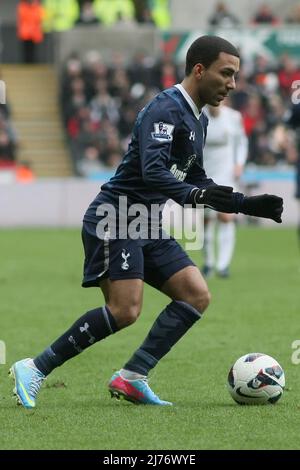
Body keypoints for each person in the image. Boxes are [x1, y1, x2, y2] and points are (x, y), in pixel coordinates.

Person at [10, 36, 283, 409]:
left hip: (146, 222)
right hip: (116, 215)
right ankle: (34, 368)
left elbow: (197, 179)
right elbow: (153, 172)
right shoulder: (165, 109)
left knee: (195, 294)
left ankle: (132, 376)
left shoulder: (196, 120)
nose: (232, 84)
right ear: (199, 70)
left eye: (235, 76)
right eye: (227, 73)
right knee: (125, 310)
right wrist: (195, 197)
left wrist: (245, 204)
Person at [202, 102, 248, 278]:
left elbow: (241, 142)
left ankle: (223, 265)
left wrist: (239, 163)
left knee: (225, 216)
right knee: (206, 220)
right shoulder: (199, 116)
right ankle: (208, 263)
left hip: (226, 172)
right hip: (205, 172)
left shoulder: (233, 117)